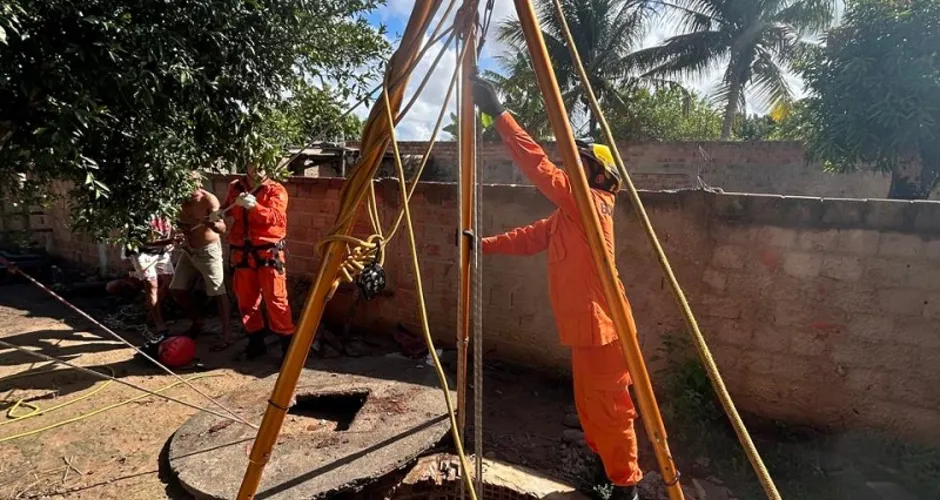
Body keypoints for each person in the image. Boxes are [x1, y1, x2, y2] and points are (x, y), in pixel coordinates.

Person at [471, 75, 641, 500]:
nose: (567, 166)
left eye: (576, 161)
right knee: (590, 410)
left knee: (611, 411)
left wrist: (499, 113)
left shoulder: (593, 204)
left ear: (597, 173)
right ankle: (605, 473)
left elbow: (540, 168)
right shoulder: (569, 216)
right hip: (588, 334)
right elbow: (530, 237)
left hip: (607, 331)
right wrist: (482, 247)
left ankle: (626, 489)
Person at [221, 161, 294, 360]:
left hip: (268, 253)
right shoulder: (235, 188)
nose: (259, 168)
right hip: (242, 253)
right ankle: (256, 343)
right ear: (247, 165)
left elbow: (277, 218)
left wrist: (256, 206)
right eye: (255, 164)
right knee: (246, 301)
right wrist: (217, 215)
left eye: (263, 164)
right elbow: (227, 209)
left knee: (276, 301)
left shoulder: (276, 190)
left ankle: (288, 350)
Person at [169, 171, 233, 350]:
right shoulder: (177, 199)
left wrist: (211, 223)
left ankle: (227, 334)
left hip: (208, 251)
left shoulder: (208, 199)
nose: (188, 188)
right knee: (177, 289)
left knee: (218, 292)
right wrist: (180, 233)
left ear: (198, 182)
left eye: (192, 184)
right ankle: (198, 321)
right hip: (188, 251)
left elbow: (222, 227)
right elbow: (177, 223)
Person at [106, 216, 175, 337]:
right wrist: (168, 241)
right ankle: (159, 323)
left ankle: (152, 313)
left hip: (161, 252)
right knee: (152, 286)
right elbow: (140, 242)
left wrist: (171, 241)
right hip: (143, 253)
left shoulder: (166, 208)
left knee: (169, 283)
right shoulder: (140, 214)